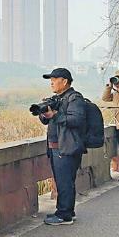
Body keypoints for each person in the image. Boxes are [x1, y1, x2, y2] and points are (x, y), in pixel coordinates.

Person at [38, 68, 87, 226]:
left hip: (66, 147)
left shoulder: (74, 98)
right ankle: (67, 210)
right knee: (62, 180)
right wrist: (44, 113)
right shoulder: (57, 99)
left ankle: (64, 214)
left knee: (64, 181)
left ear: (64, 81)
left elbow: (77, 120)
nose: (51, 82)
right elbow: (47, 121)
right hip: (55, 146)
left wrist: (56, 115)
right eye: (50, 79)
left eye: (54, 79)